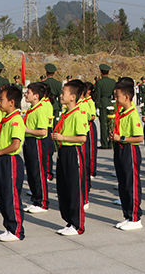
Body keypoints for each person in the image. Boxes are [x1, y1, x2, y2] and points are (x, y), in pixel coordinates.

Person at [0, 85, 26, 242]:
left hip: (10, 160)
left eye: (1, 100)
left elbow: (15, 145)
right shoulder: (6, 120)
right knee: (3, 195)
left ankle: (16, 230)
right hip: (2, 159)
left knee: (11, 195)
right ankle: (8, 227)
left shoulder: (16, 120)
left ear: (12, 102)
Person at [52, 79, 88, 236]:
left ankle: (77, 224)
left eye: (63, 93)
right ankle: (68, 221)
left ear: (73, 97)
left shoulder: (78, 114)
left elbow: (82, 138)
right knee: (64, 187)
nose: (61, 96)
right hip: (63, 152)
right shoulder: (67, 113)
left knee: (74, 189)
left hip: (73, 152)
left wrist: (62, 136)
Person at [112, 79, 144, 230]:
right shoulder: (122, 113)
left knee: (131, 183)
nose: (115, 99)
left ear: (126, 97)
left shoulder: (132, 114)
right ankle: (127, 215)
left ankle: (135, 217)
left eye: (117, 96)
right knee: (123, 182)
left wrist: (122, 138)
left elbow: (139, 137)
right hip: (120, 148)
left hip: (130, 150)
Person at [22, 82, 51, 213]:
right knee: (31, 172)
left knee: (38, 172)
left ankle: (43, 202)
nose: (25, 94)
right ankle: (35, 200)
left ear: (36, 95)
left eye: (28, 92)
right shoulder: (31, 109)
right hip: (29, 142)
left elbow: (43, 132)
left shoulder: (40, 110)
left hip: (37, 142)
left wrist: (26, 129)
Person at [93, 64, 117, 150]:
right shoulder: (113, 82)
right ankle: (111, 142)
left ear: (101, 72)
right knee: (111, 123)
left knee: (103, 124)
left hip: (102, 103)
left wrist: (97, 105)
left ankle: (104, 143)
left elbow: (98, 95)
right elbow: (114, 94)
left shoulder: (99, 82)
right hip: (110, 103)